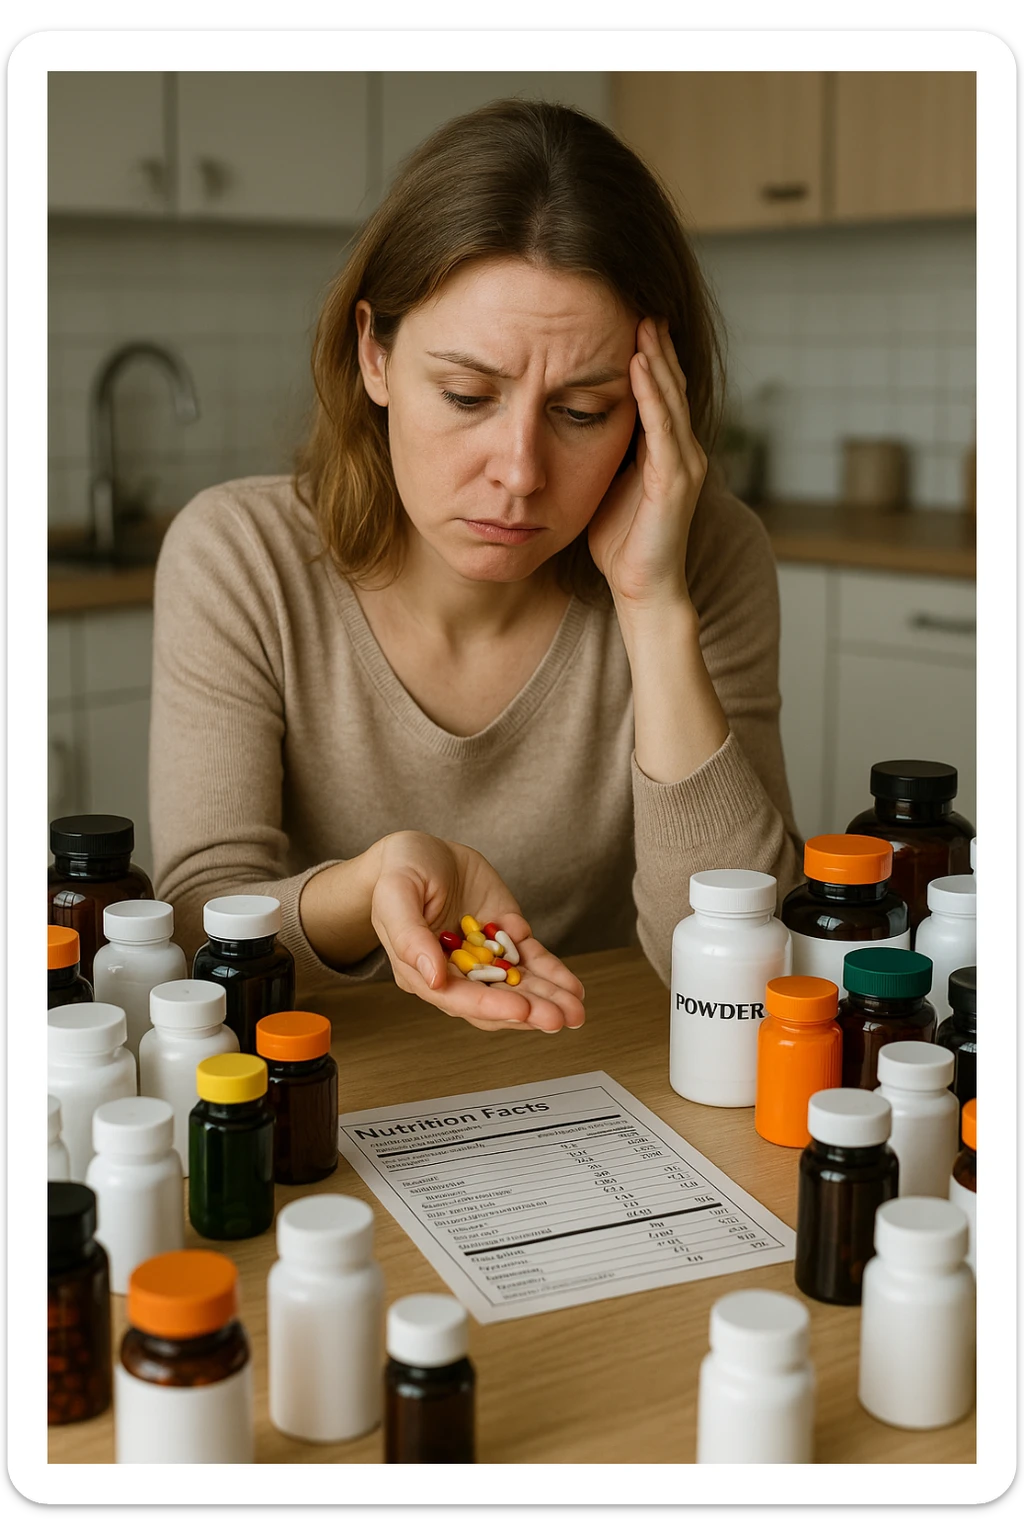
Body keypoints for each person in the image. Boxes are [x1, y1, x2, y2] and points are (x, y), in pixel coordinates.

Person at [150, 98, 803, 1037]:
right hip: (328, 1080)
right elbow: (193, 930)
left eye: (583, 411)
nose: (521, 472)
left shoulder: (706, 556)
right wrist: (370, 884)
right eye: (466, 395)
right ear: (374, 352)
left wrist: (655, 608)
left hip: (604, 1066)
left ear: (651, 408)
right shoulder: (239, 556)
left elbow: (747, 958)